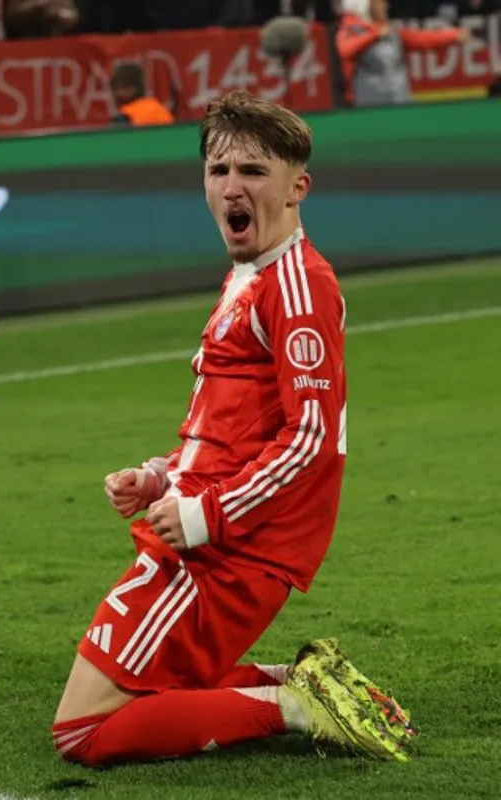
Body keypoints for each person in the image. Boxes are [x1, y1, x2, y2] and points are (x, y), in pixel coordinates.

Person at [52, 89, 417, 768]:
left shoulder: (298, 286)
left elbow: (311, 437)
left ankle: (300, 707)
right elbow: (228, 427)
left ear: (297, 187)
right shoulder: (250, 275)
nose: (232, 187)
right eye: (219, 171)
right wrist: (159, 476)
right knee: (147, 689)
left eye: (253, 171)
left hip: (229, 549)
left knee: (82, 730)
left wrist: (205, 514)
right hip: (211, 533)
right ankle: (297, 683)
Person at [337, 0, 470, 106]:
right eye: (379, 2)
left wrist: (452, 35)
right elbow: (345, 50)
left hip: (399, 98)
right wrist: (375, 35)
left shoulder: (390, 29)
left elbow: (421, 38)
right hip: (370, 103)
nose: (386, 6)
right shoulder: (351, 30)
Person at [109, 63, 175, 127]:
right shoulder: (158, 107)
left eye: (125, 88)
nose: (119, 93)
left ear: (136, 88)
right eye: (116, 88)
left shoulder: (124, 117)